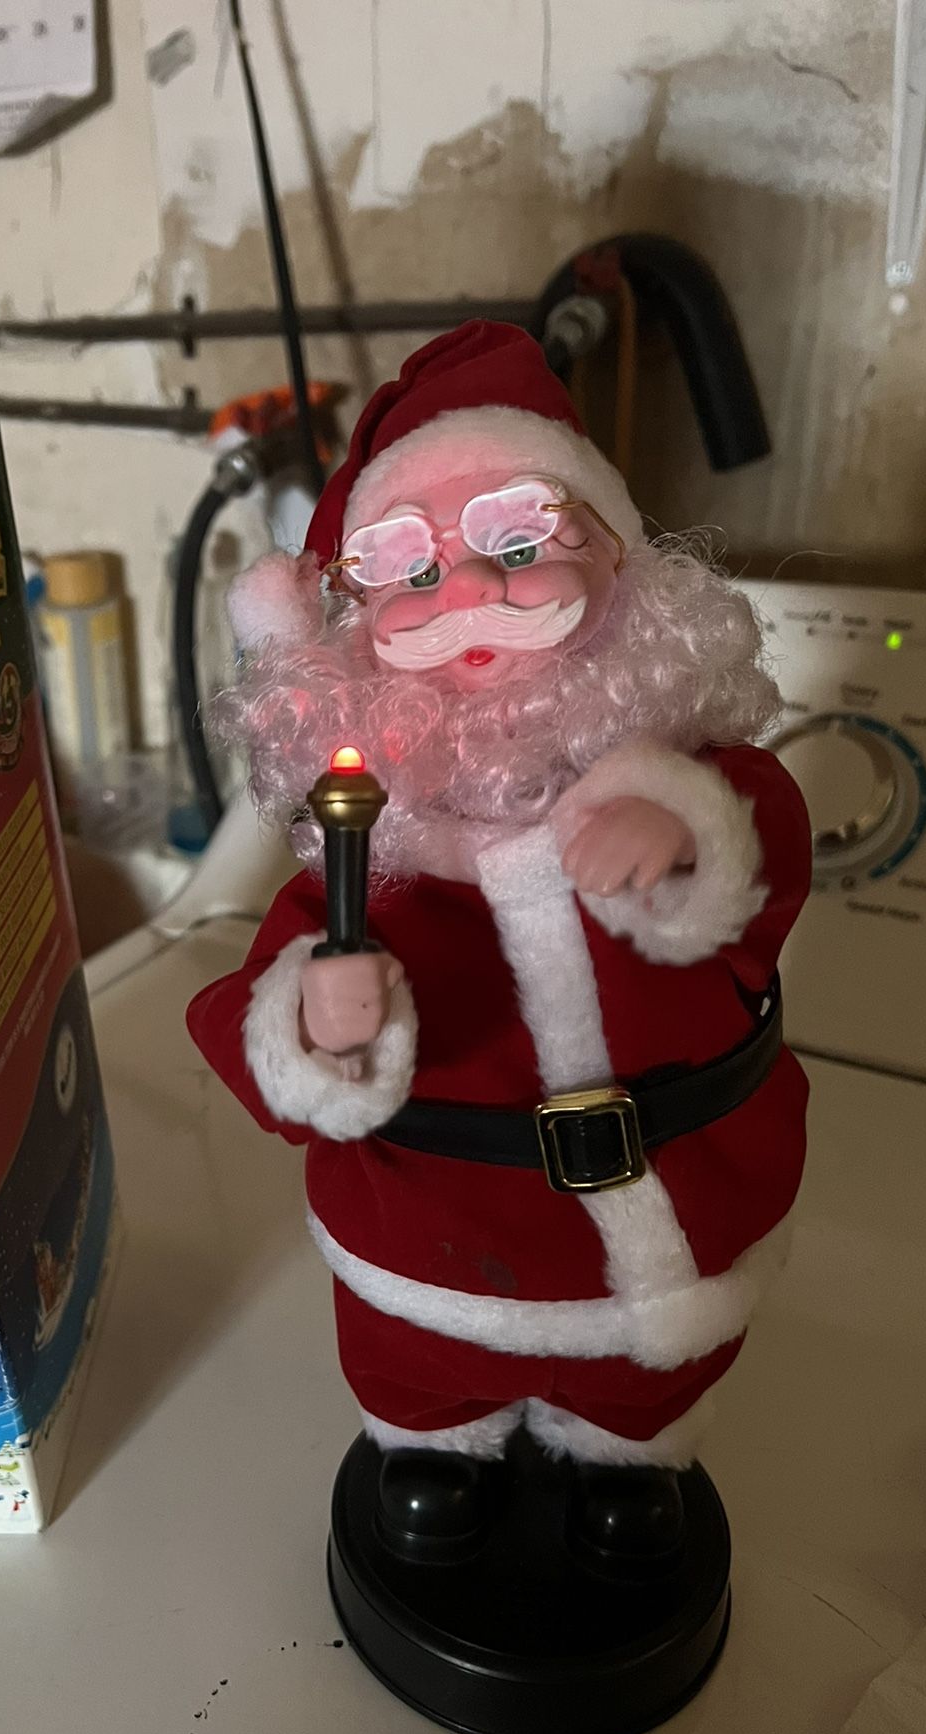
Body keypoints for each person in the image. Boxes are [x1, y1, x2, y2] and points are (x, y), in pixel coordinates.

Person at [187, 321, 810, 1570]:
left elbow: (764, 859)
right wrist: (312, 1021)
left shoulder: (704, 779)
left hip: (673, 1232)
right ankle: (431, 1440)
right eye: (408, 572)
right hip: (429, 1244)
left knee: (644, 1392)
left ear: (623, 561)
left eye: (520, 544)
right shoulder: (372, 848)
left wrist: (681, 831)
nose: (466, 593)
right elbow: (256, 1016)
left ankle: (628, 1449)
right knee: (419, 1362)